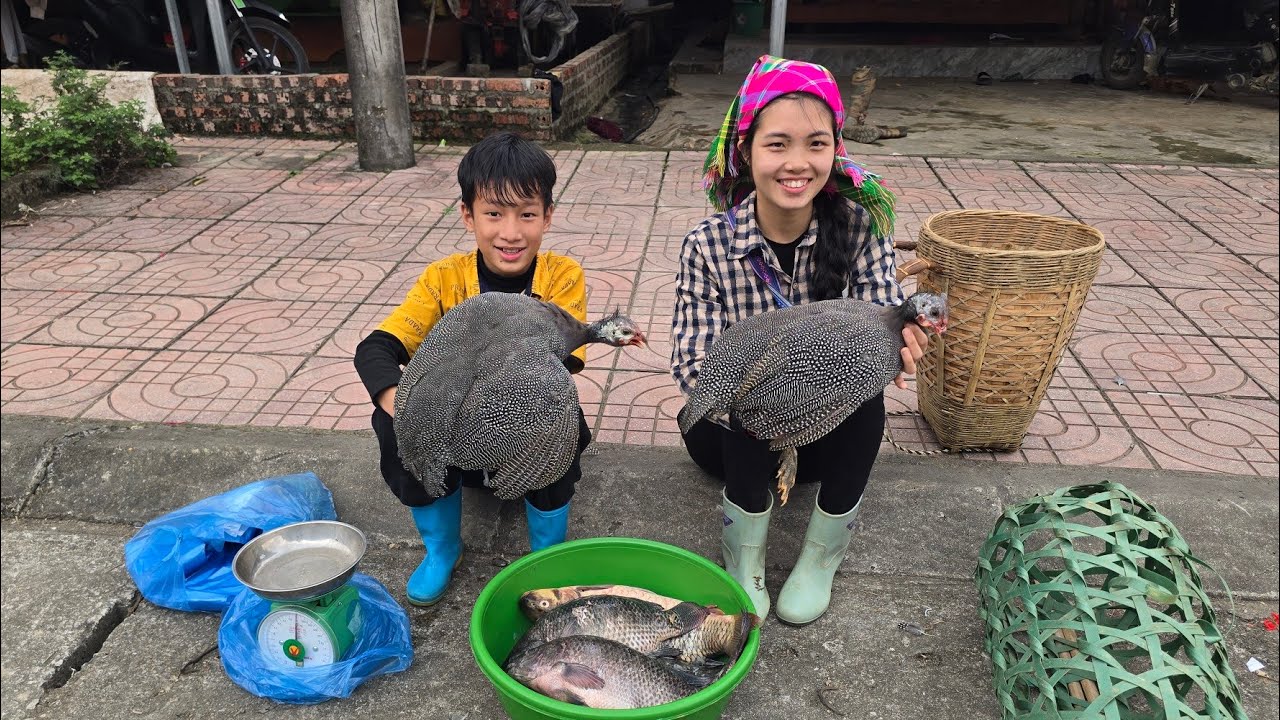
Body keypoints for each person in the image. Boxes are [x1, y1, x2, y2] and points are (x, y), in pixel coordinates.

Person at [670, 56, 928, 625]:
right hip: (730, 439)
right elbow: (691, 363)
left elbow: (885, 315)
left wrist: (902, 343)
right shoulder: (708, 244)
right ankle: (744, 558)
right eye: (777, 144)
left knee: (868, 390)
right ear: (746, 151)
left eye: (816, 144)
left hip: (826, 433)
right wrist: (765, 380)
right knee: (751, 396)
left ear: (835, 151)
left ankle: (820, 558)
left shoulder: (860, 229)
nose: (796, 163)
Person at [354, 132, 591, 607]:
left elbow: (565, 362)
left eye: (527, 214)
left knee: (557, 413)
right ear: (468, 215)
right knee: (390, 421)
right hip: (451, 439)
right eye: (494, 213)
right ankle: (443, 549)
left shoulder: (562, 277)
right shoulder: (443, 279)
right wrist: (408, 408)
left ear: (547, 216)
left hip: (523, 433)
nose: (511, 232)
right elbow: (375, 349)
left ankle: (546, 555)